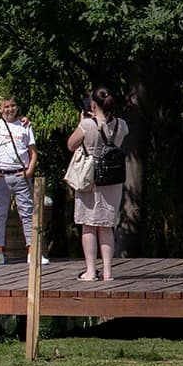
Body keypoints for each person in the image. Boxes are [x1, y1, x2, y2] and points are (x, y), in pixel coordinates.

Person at [66, 86, 129, 281]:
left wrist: (83, 122)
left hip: (90, 177)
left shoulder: (87, 125)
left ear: (93, 104)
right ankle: (108, 272)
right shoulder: (121, 125)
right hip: (113, 179)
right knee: (106, 225)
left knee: (89, 225)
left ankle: (91, 271)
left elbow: (71, 144)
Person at [0, 95, 47, 264]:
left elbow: (33, 152)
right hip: (1, 176)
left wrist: (29, 170)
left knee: (27, 213)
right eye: (6, 106)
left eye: (13, 105)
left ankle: (32, 251)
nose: (10, 109)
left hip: (21, 175)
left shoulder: (24, 126)